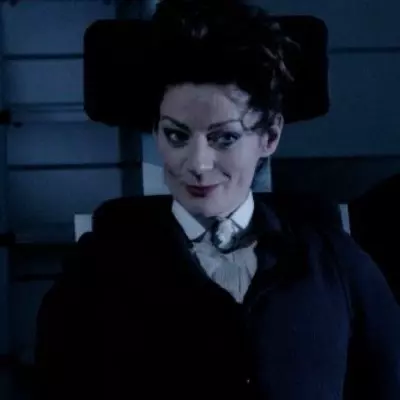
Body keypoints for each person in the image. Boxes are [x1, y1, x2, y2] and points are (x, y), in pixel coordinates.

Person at [34, 1, 400, 399]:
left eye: (225, 137)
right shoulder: (96, 272)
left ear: (270, 136)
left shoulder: (336, 265)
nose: (198, 164)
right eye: (176, 135)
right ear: (156, 132)